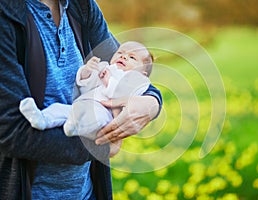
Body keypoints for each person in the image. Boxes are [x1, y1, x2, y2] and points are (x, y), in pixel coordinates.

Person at [0, 0, 162, 200]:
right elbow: (9, 132)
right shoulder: (5, 14)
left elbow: (125, 66)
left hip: (87, 192)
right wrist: (101, 147)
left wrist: (152, 102)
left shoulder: (81, 5)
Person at [19, 41, 153, 141]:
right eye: (120, 53)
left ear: (143, 72)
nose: (123, 57)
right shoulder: (106, 67)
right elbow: (84, 85)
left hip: (104, 113)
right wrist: (87, 71)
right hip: (81, 104)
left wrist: (108, 81)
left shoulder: (137, 81)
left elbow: (122, 96)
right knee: (59, 109)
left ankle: (76, 127)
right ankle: (41, 119)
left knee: (93, 119)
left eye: (132, 57)